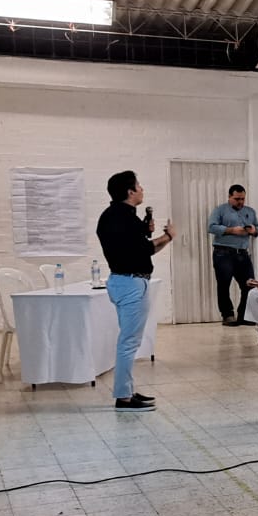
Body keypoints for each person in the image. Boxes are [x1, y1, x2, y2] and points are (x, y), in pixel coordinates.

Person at [96, 170, 175, 411]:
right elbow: (144, 251)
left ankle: (127, 390)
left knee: (129, 340)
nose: (142, 189)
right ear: (130, 192)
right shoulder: (124, 218)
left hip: (123, 281)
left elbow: (131, 245)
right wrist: (168, 236)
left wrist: (143, 229)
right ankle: (123, 397)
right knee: (128, 342)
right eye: (139, 186)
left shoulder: (113, 216)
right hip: (131, 282)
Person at [207, 183, 258, 326]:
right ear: (230, 197)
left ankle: (244, 315)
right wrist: (231, 230)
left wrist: (254, 230)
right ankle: (227, 315)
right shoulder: (220, 210)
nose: (240, 202)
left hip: (242, 253)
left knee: (249, 284)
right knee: (224, 285)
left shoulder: (250, 211)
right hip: (223, 253)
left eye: (242, 199)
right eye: (237, 199)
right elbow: (211, 227)